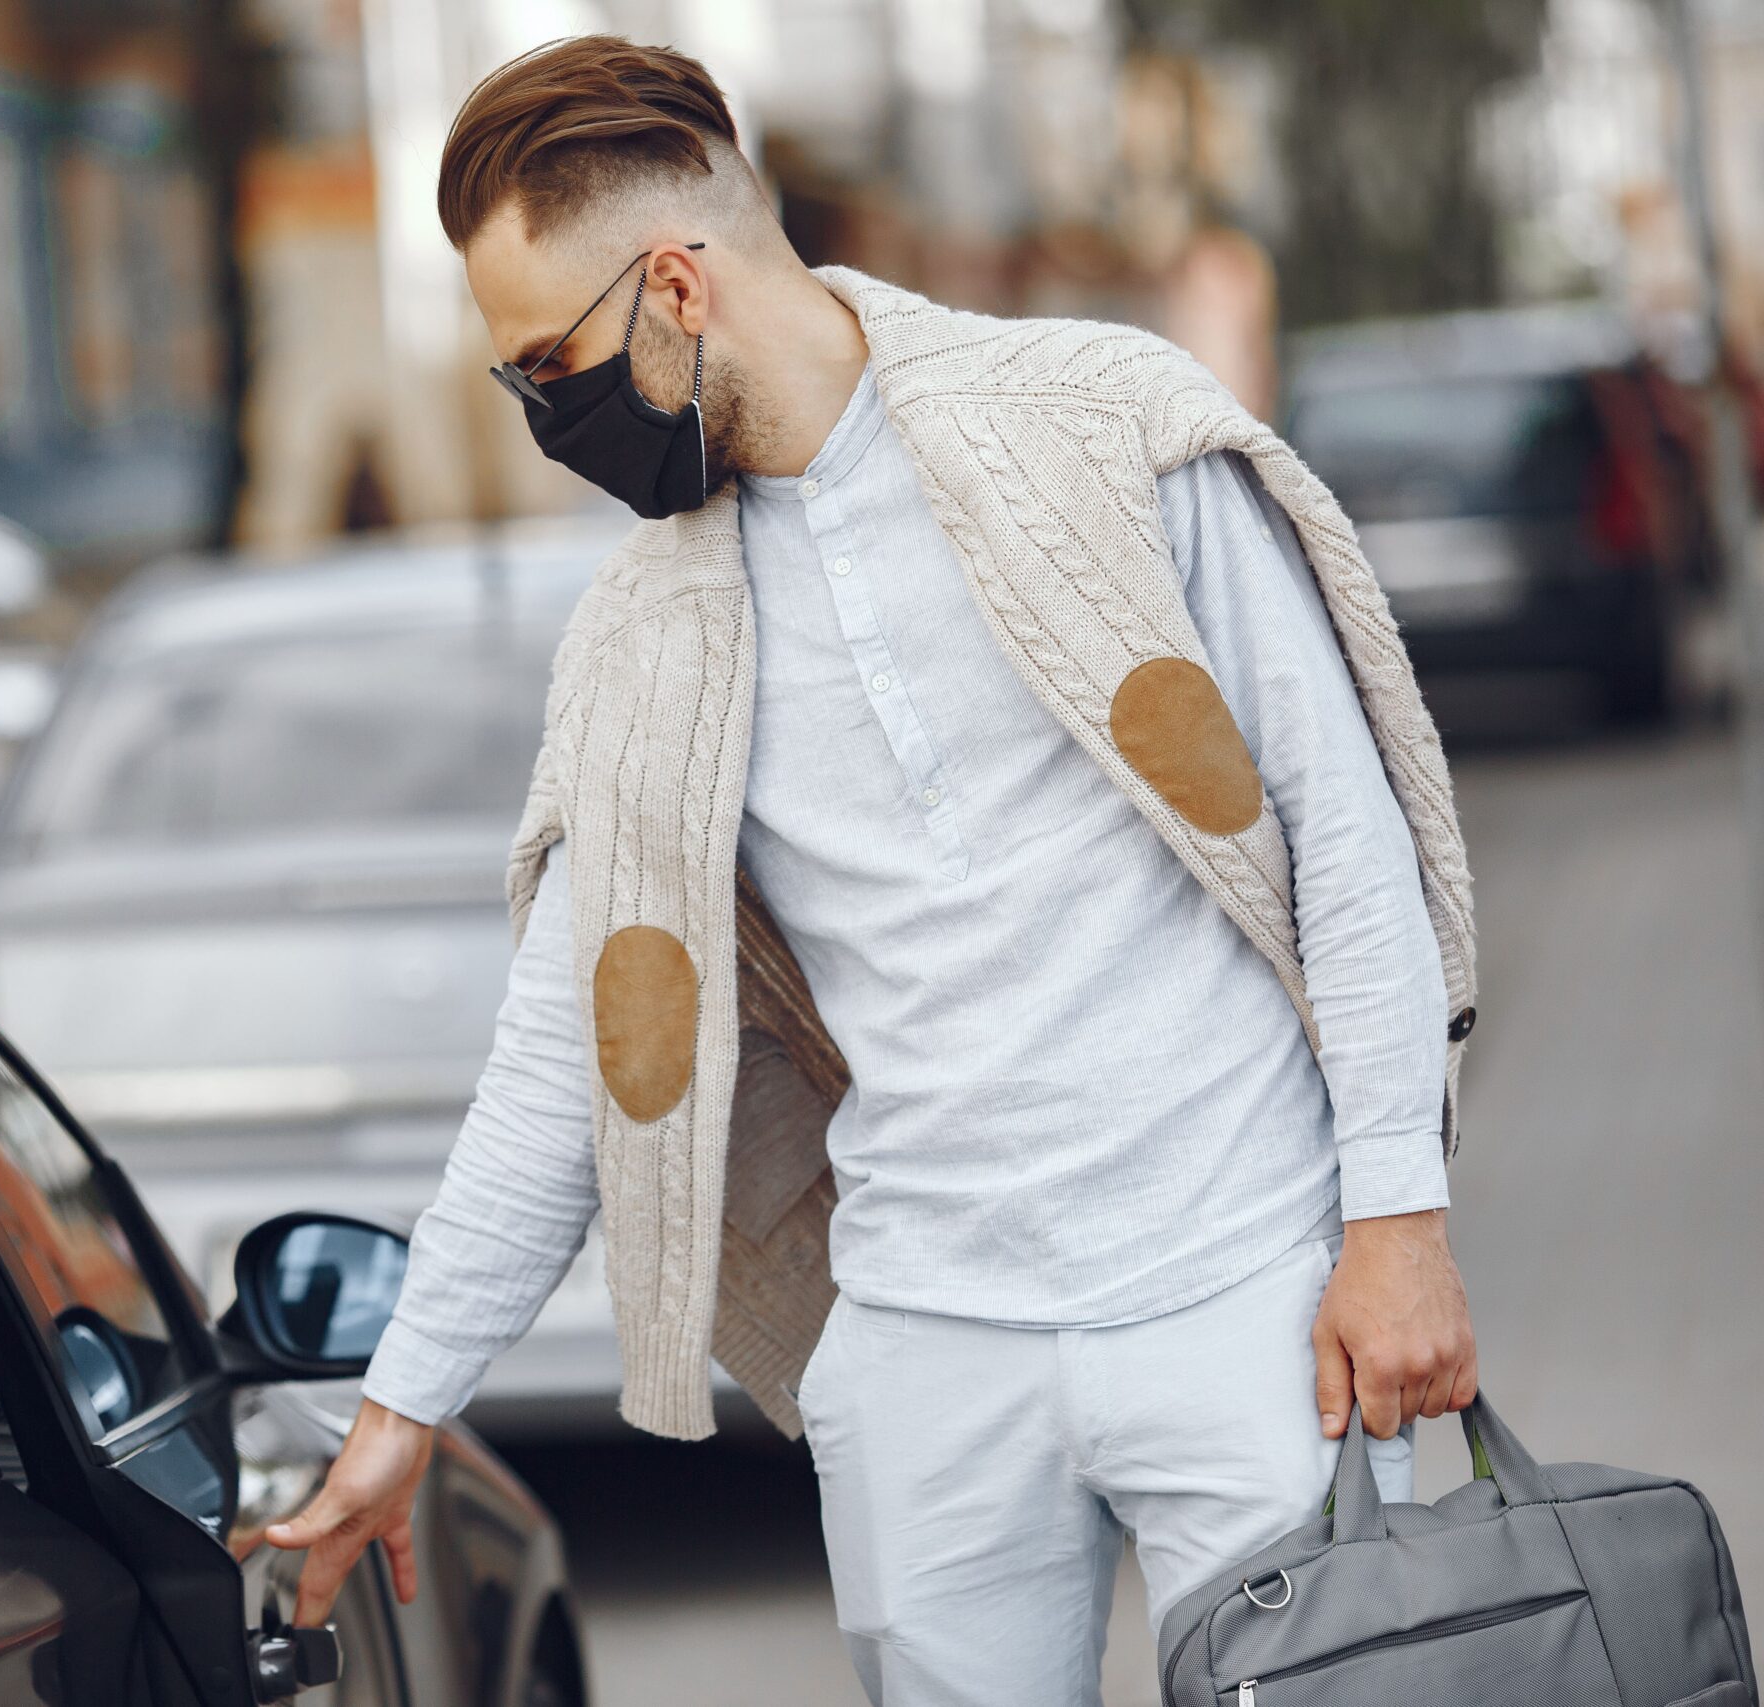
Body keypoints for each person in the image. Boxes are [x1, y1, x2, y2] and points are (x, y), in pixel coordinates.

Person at [262, 36, 1481, 1703]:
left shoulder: (1099, 429)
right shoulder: (645, 638)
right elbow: (574, 1053)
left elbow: (1345, 832)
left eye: (553, 365)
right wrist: (402, 1407)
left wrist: (1397, 1221)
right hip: (930, 1347)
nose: (549, 418)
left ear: (675, 284)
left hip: (1249, 1283)